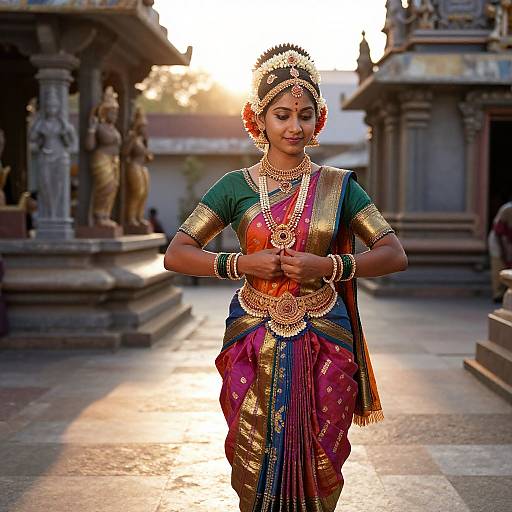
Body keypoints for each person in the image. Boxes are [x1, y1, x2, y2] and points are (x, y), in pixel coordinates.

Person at [164, 44, 408, 512]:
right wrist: (239, 264)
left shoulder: (340, 187)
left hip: (325, 337)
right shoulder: (234, 187)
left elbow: (393, 253)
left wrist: (329, 267)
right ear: (258, 118)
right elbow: (177, 253)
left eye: (305, 114)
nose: (294, 126)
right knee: (252, 453)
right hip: (252, 337)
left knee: (323, 453)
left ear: (320, 118)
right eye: (281, 114)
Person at [488, 196, 512, 302]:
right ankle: (498, 294)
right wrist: (506, 253)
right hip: (498, 239)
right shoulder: (508, 209)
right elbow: (501, 233)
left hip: (508, 239)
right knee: (498, 264)